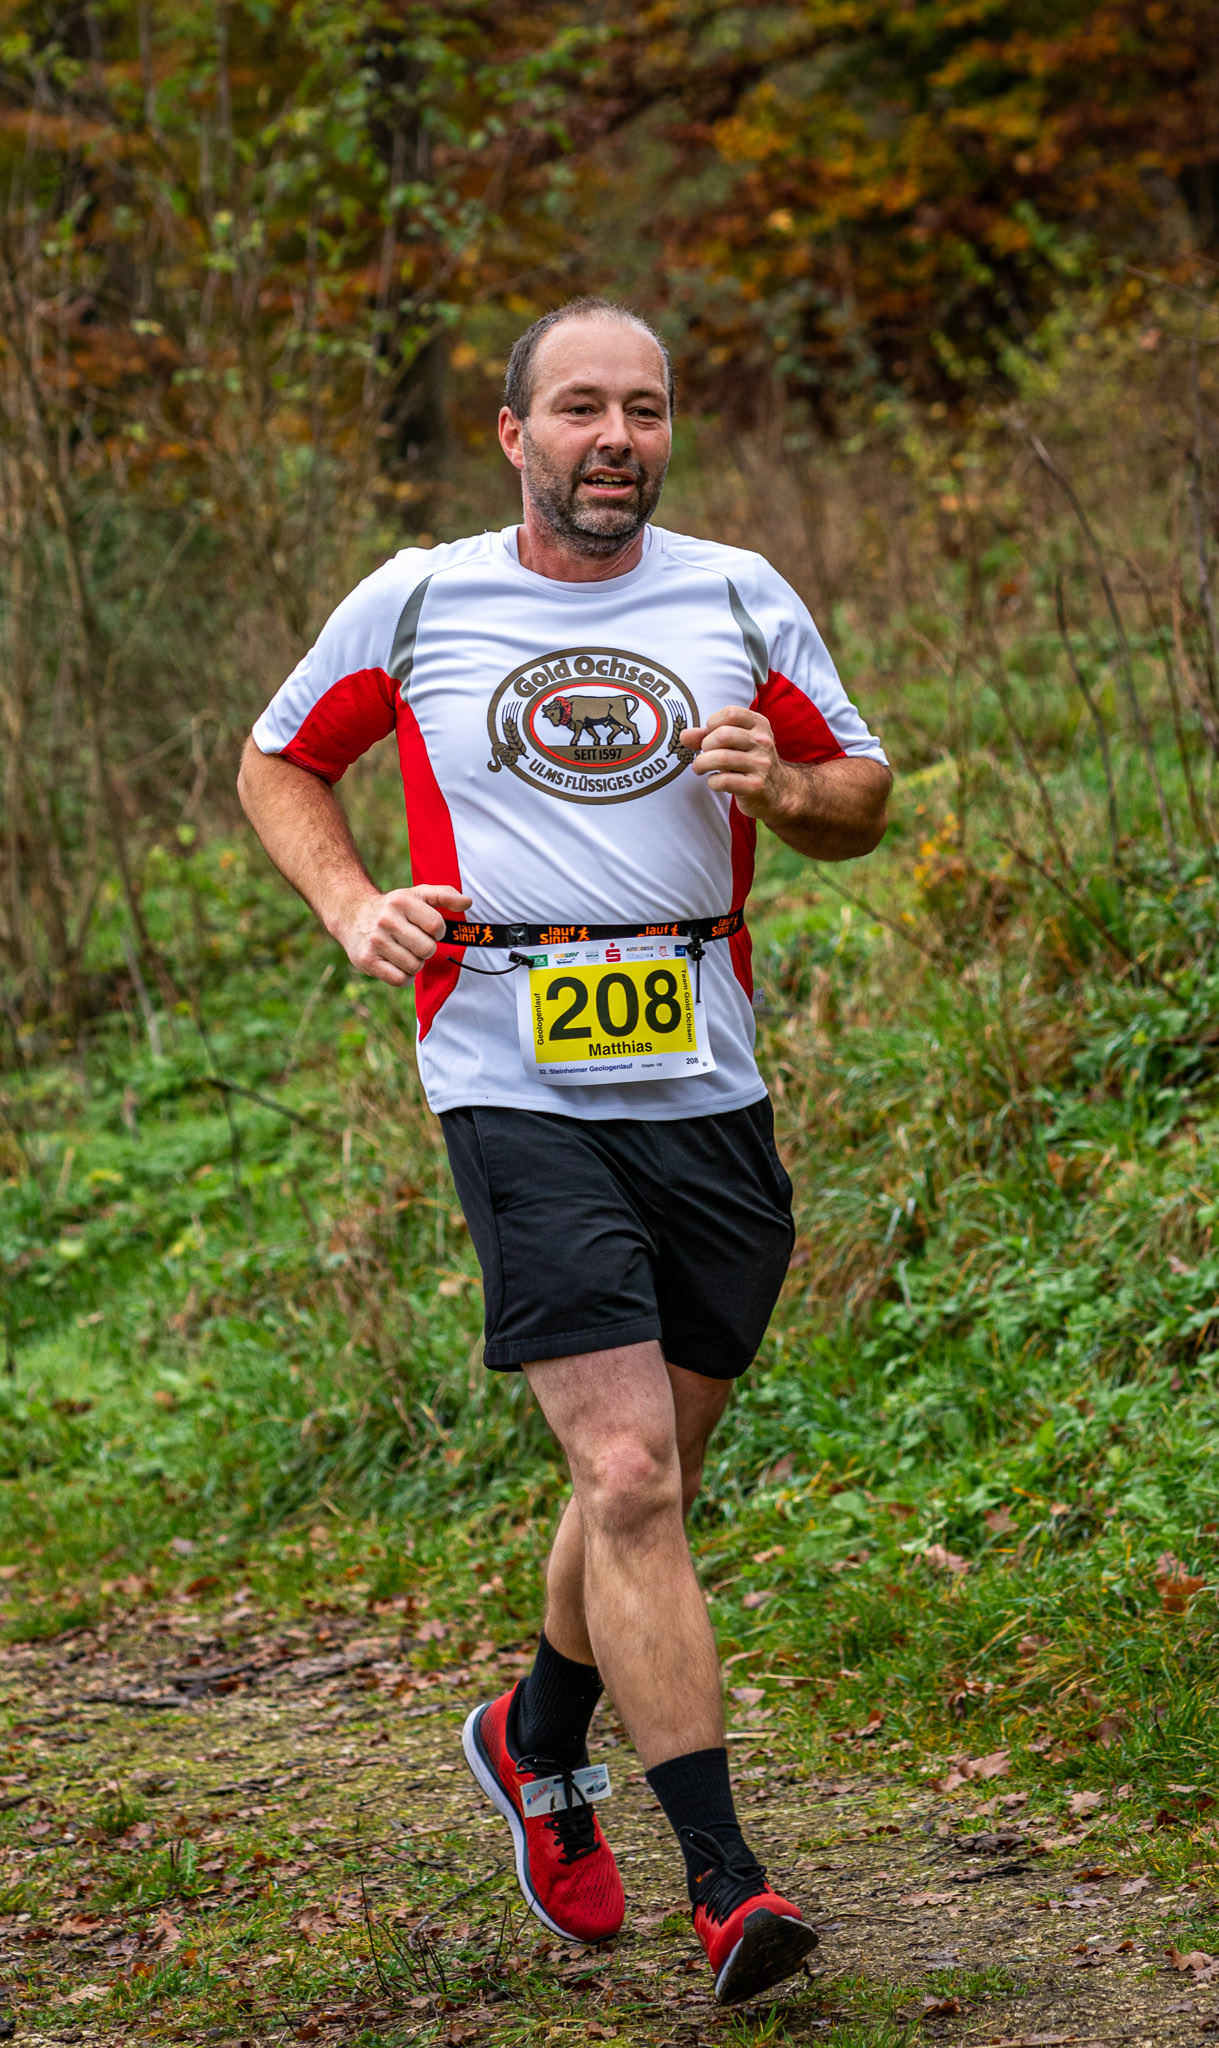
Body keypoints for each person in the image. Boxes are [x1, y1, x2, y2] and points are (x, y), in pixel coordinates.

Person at [238, 297, 891, 2004]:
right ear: (513, 434)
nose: (617, 438)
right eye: (582, 408)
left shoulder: (737, 594)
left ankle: (533, 1732)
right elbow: (280, 759)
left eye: (645, 410)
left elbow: (861, 794)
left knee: (646, 1473)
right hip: (507, 1070)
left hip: (705, 1076)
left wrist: (785, 791)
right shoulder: (420, 598)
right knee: (627, 1476)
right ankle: (729, 1887)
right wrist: (351, 903)